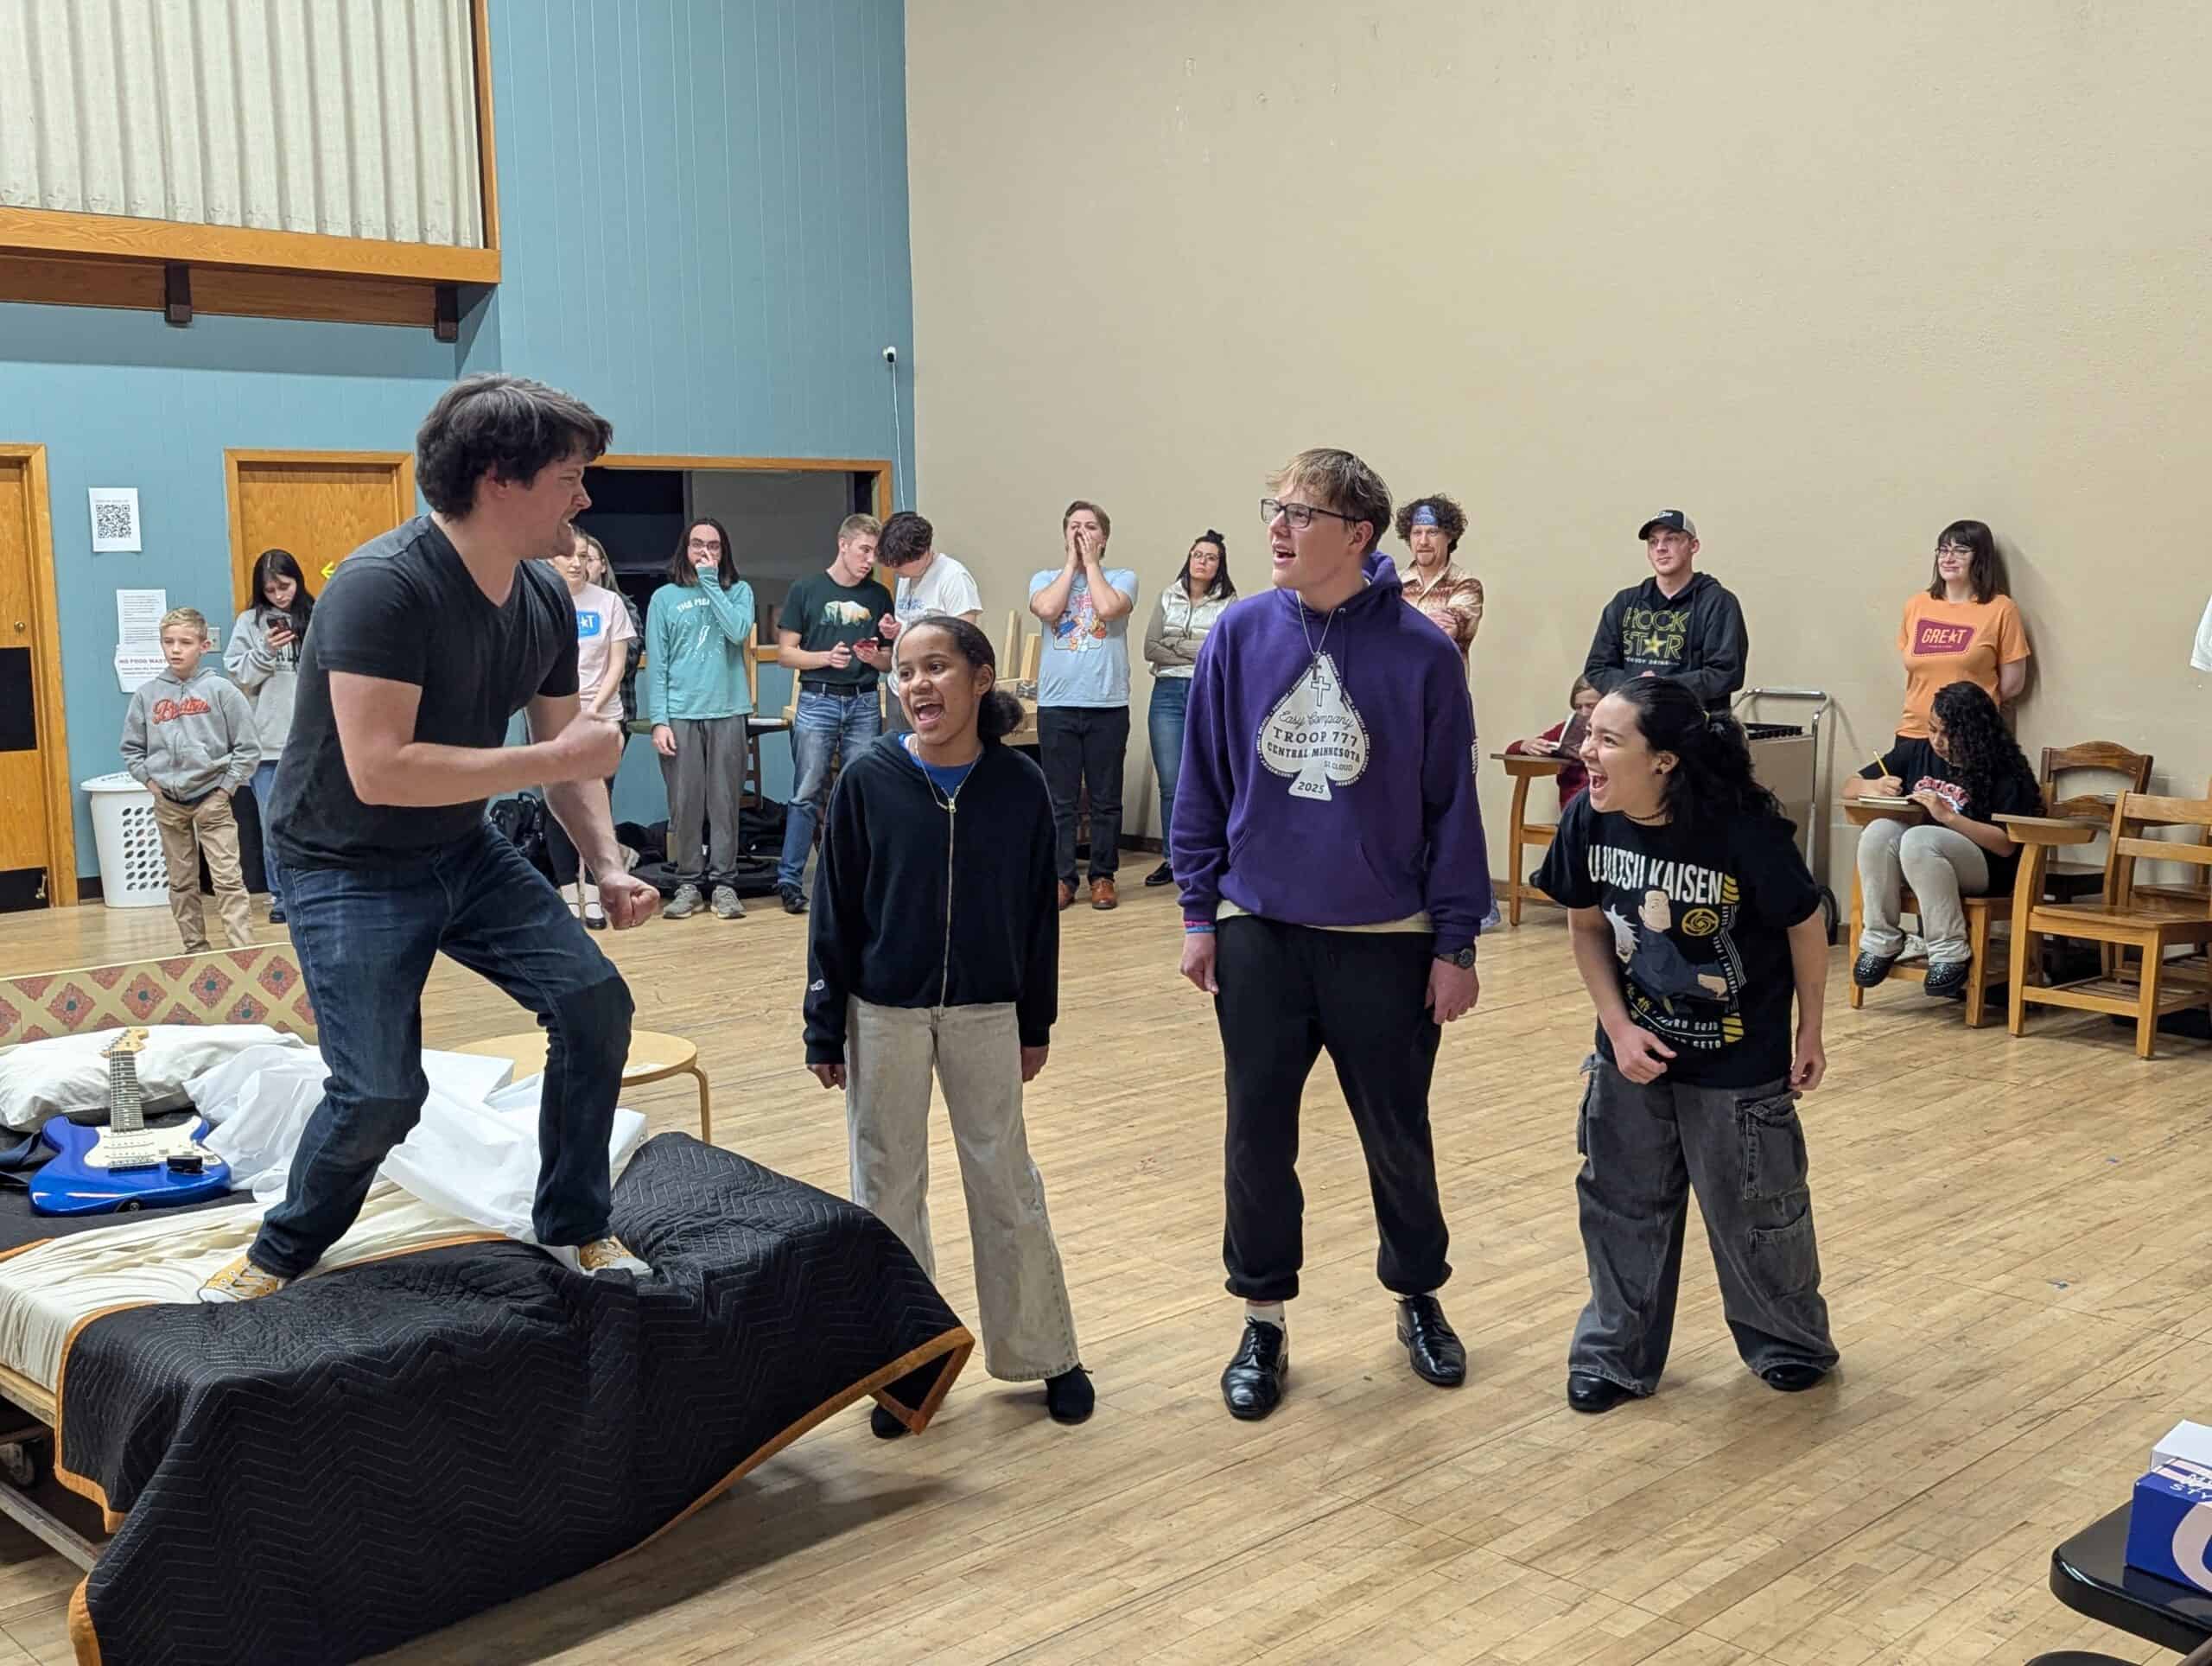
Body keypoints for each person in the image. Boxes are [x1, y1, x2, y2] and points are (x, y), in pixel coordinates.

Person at [197, 373, 659, 1304]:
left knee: (593, 1005)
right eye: (569, 477)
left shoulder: (542, 594)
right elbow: (383, 770)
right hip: (343, 862)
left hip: (460, 846)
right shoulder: (380, 588)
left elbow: (563, 755)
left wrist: (607, 863)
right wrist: (553, 758)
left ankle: (575, 1222)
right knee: (379, 1093)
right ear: (498, 480)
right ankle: (283, 1249)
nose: (583, 499)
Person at [1175, 448, 1490, 1422]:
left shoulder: (1422, 653)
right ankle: (1262, 1318)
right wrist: (1198, 912)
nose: (1276, 528)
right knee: (1255, 1136)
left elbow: (1453, 804)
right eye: (1273, 507)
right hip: (1260, 928)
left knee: (1397, 1134)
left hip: (1387, 937)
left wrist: (1456, 943)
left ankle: (1419, 1294)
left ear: (1357, 535)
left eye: (1300, 513)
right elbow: (1203, 778)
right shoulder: (1237, 633)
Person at [804, 614, 1093, 1434]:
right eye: (905, 672)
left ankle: (1045, 1352)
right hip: (881, 1012)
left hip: (987, 1009)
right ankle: (905, 1369)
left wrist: (1037, 1020)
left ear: (979, 677)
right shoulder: (868, 779)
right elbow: (833, 908)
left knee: (1005, 1180)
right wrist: (823, 1023)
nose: (918, 685)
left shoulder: (1019, 786)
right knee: (886, 1186)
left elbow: (1038, 915)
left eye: (936, 667)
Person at [1533, 677, 1837, 1413]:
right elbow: (1586, 927)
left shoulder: (1740, 828)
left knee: (1755, 1209)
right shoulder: (1589, 819)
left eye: (1608, 740)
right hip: (1632, 1051)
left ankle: (1788, 1343)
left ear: (1663, 760)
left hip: (1736, 1057)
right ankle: (1615, 1356)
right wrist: (1617, 1028)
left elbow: (1804, 924)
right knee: (1620, 1204)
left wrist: (1811, 1030)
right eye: (1588, 733)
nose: (1586, 752)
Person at [1847, 680, 2041, 998]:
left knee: (1919, 839)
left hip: (1986, 867)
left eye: (1949, 734)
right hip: (1922, 861)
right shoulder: (1917, 751)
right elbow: (1850, 786)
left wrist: (1949, 817)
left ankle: (1949, 950)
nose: (1938, 741)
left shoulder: (2003, 768)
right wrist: (1874, 787)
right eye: (1932, 729)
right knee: (1878, 832)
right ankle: (1881, 940)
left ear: (1974, 734)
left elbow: (2006, 844)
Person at [774, 514, 894, 916]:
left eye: (875, 553)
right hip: (817, 700)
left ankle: (857, 879)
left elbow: (888, 662)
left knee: (860, 791)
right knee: (806, 791)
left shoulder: (879, 595)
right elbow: (785, 654)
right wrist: (826, 658)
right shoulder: (805, 589)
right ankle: (790, 880)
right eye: (864, 550)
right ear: (843, 544)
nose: (869, 560)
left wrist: (872, 656)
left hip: (864, 701)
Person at [124, 607, 261, 952]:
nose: (175, 649)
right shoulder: (147, 695)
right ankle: (195, 947)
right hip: (169, 804)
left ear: (204, 645)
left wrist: (225, 790)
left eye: (185, 642)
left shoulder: (222, 691)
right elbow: (132, 748)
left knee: (227, 878)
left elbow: (247, 747)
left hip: (212, 799)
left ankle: (242, 950)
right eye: (168, 642)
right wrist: (151, 784)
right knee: (181, 882)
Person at [645, 518, 755, 922]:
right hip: (680, 714)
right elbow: (658, 664)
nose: (705, 551)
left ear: (723, 552)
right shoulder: (664, 598)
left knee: (725, 803)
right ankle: (688, 883)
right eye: (697, 545)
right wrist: (659, 720)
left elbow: (738, 632)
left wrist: (711, 583)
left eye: (713, 545)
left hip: (727, 711)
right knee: (685, 803)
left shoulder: (739, 591)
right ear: (685, 550)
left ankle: (725, 884)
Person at [1029, 501, 1138, 911]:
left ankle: (1103, 876)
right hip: (1057, 704)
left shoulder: (1123, 578)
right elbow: (1047, 609)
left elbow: (1108, 609)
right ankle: (1062, 877)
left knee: (1106, 798)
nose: (1081, 532)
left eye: (1090, 527)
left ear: (1104, 537)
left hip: (1107, 703)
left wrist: (1091, 564)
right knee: (1060, 799)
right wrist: (1072, 565)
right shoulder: (1045, 579)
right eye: (1073, 526)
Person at [544, 528, 636, 929]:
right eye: (569, 555)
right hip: (555, 719)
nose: (576, 563)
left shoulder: (608, 603)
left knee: (598, 806)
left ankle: (597, 894)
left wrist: (595, 708)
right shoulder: (541, 600)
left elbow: (617, 664)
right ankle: (568, 895)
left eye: (583, 556)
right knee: (557, 805)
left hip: (602, 718)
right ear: (551, 559)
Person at [1139, 529, 1235, 887]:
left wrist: (1176, 644)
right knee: (1171, 783)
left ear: (1219, 565)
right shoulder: (1168, 596)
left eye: (1211, 558)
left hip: (1205, 692)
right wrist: (1197, 648)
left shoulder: (1229, 604)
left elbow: (1220, 651)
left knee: (1207, 780)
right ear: (1189, 558)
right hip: (1166, 694)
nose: (1202, 562)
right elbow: (1150, 648)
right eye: (1198, 555)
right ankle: (1173, 858)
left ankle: (1207, 857)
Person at [1584, 511, 1748, 715]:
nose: (1660, 548)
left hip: (1694, 724)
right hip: (1632, 722)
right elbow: (1597, 668)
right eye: (1653, 542)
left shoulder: (1718, 603)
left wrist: (1660, 688)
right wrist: (1638, 688)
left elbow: (1726, 673)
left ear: (1693, 546)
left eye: (1671, 539)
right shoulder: (1624, 602)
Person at [226, 548, 313, 924]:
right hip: (268, 744)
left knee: (315, 822)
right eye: (271, 590)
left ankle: (313, 893)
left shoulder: (317, 613)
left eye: (285, 586)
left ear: (298, 581)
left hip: (313, 743)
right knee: (272, 824)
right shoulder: (249, 622)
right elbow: (240, 677)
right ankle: (281, 897)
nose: (279, 596)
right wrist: (265, 650)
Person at [1891, 519, 2030, 748]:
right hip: (1914, 732)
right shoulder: (1917, 605)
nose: (1948, 558)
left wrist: (1970, 712)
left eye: (1961, 551)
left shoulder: (2001, 609)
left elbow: (2011, 685)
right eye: (1943, 550)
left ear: (1981, 558)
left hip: (1970, 737)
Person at [876, 510, 982, 734]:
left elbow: (966, 639)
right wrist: (894, 629)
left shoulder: (953, 577)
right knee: (899, 752)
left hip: (934, 691)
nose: (895, 570)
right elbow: (909, 622)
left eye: (899, 564)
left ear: (922, 553)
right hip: (899, 686)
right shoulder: (907, 578)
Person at [1507, 674, 1601, 808]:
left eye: (1591, 706)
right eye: (1578, 707)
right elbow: (1512, 752)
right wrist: (1525, 745)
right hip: (1572, 806)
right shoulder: (1564, 730)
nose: (1584, 713)